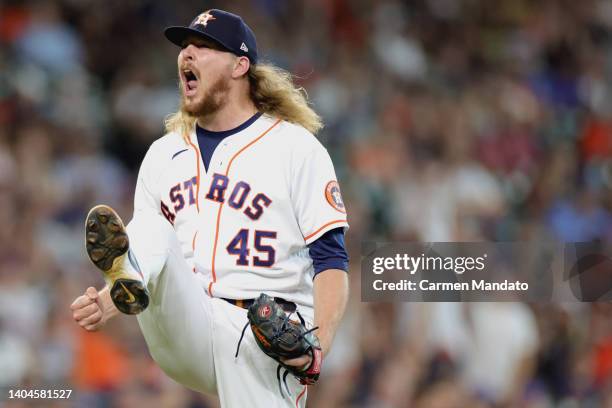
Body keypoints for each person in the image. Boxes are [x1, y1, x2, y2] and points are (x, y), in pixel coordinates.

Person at [70, 9, 349, 407]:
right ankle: (122, 276)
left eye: (203, 46)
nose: (187, 54)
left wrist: (318, 347)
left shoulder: (296, 149)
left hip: (269, 335)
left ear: (240, 65)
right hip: (191, 320)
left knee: (161, 239)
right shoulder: (163, 154)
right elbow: (156, 254)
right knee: (151, 228)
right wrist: (108, 300)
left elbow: (331, 260)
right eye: (184, 47)